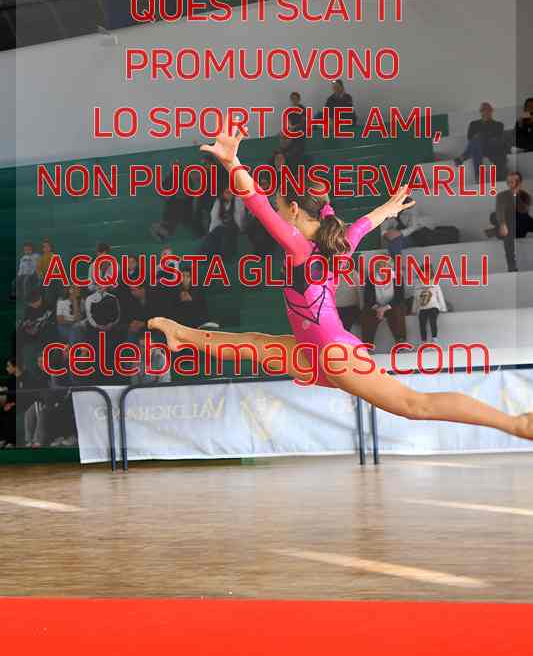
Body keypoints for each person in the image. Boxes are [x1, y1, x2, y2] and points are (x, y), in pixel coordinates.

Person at [148, 115, 533, 443]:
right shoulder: (339, 242)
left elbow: (258, 203)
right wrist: (387, 208)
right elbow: (366, 222)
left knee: (414, 405)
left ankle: (516, 423)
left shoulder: (299, 247)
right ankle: (180, 334)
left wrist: (233, 162)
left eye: (283, 210)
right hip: (314, 348)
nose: (278, 216)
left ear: (294, 210)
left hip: (332, 352)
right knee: (254, 343)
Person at [487, 171, 533, 272]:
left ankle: (495, 230)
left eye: (514, 181)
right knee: (504, 222)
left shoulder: (526, 196)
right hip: (507, 227)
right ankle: (512, 266)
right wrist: (502, 223)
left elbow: (523, 212)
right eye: (509, 182)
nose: (511, 184)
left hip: (521, 225)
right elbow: (500, 211)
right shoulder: (501, 196)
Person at [360, 255, 407, 350]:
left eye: (386, 265)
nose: (384, 268)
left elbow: (399, 297)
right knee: (367, 315)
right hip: (376, 306)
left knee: (398, 311)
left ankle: (400, 342)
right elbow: (368, 298)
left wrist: (385, 308)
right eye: (381, 265)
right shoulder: (370, 279)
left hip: (392, 306)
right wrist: (378, 308)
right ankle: (368, 345)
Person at [455, 102, 507, 182]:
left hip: (490, 149)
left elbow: (497, 138)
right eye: (482, 110)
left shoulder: (498, 125)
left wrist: (481, 134)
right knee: (476, 143)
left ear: (491, 111)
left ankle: (463, 158)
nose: (485, 112)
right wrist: (482, 135)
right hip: (477, 148)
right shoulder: (473, 124)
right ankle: (478, 176)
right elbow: (469, 137)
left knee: (478, 138)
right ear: (480, 112)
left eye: (487, 110)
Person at [203, 187, 248, 260]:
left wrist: (240, 228)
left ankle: (223, 255)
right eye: (227, 193)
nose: (229, 195)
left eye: (231, 193)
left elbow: (240, 216)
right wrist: (212, 231)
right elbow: (214, 218)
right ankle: (209, 255)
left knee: (225, 234)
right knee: (214, 234)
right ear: (223, 194)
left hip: (234, 225)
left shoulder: (238, 201)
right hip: (221, 225)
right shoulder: (218, 202)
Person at [411, 266, 448, 345]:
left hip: (433, 306)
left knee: (432, 320)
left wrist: (443, 308)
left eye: (427, 273)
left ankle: (434, 338)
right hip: (422, 308)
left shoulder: (435, 283)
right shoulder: (417, 286)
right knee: (422, 323)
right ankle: (423, 340)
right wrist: (413, 310)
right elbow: (416, 299)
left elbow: (440, 296)